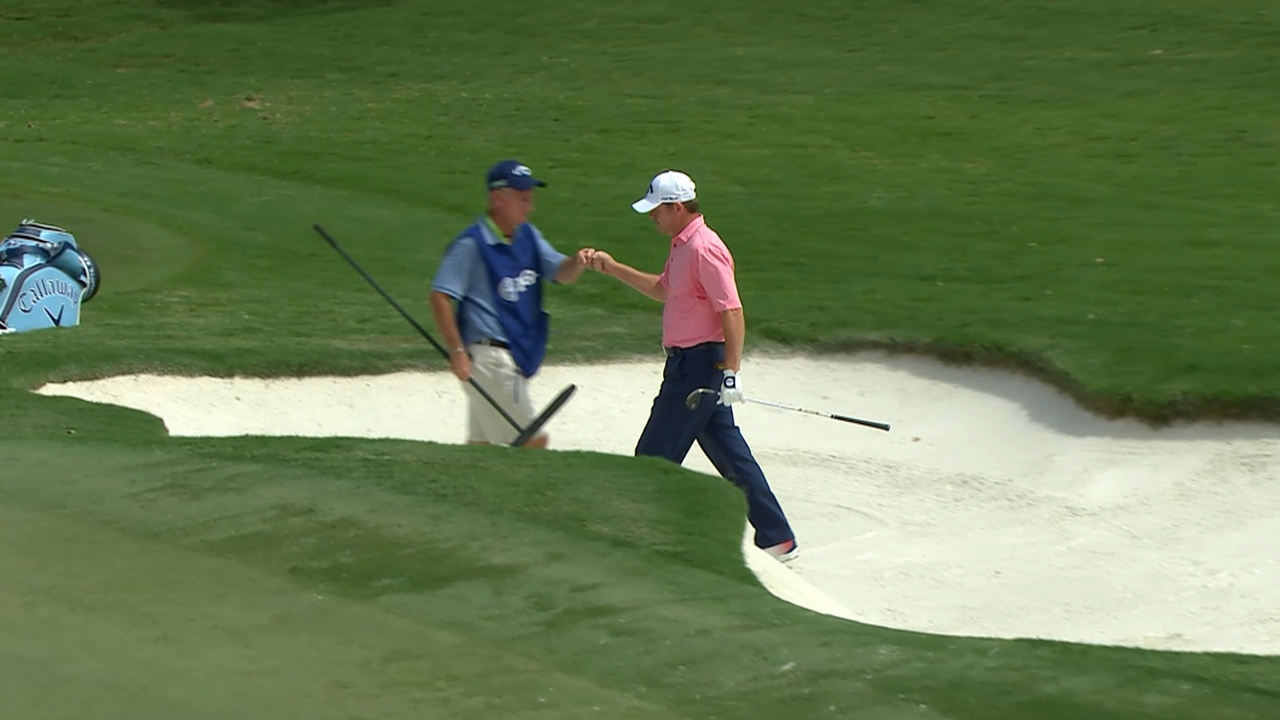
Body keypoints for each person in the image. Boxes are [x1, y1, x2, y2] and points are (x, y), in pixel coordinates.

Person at [587, 170, 799, 562]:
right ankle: (776, 536)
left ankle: (639, 538)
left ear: (677, 207)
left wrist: (730, 372)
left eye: (656, 210)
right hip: (689, 365)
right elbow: (663, 290)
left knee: (653, 457)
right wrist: (612, 267)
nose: (652, 217)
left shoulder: (703, 248)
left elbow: (731, 310)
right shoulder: (681, 245)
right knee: (729, 453)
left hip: (700, 368)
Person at [429, 159, 593, 448]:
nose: (529, 206)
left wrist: (577, 262)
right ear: (497, 198)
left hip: (513, 355)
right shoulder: (471, 244)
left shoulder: (528, 236)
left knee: (482, 448)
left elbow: (559, 272)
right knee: (532, 441)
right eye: (522, 198)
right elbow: (440, 296)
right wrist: (456, 351)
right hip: (491, 360)